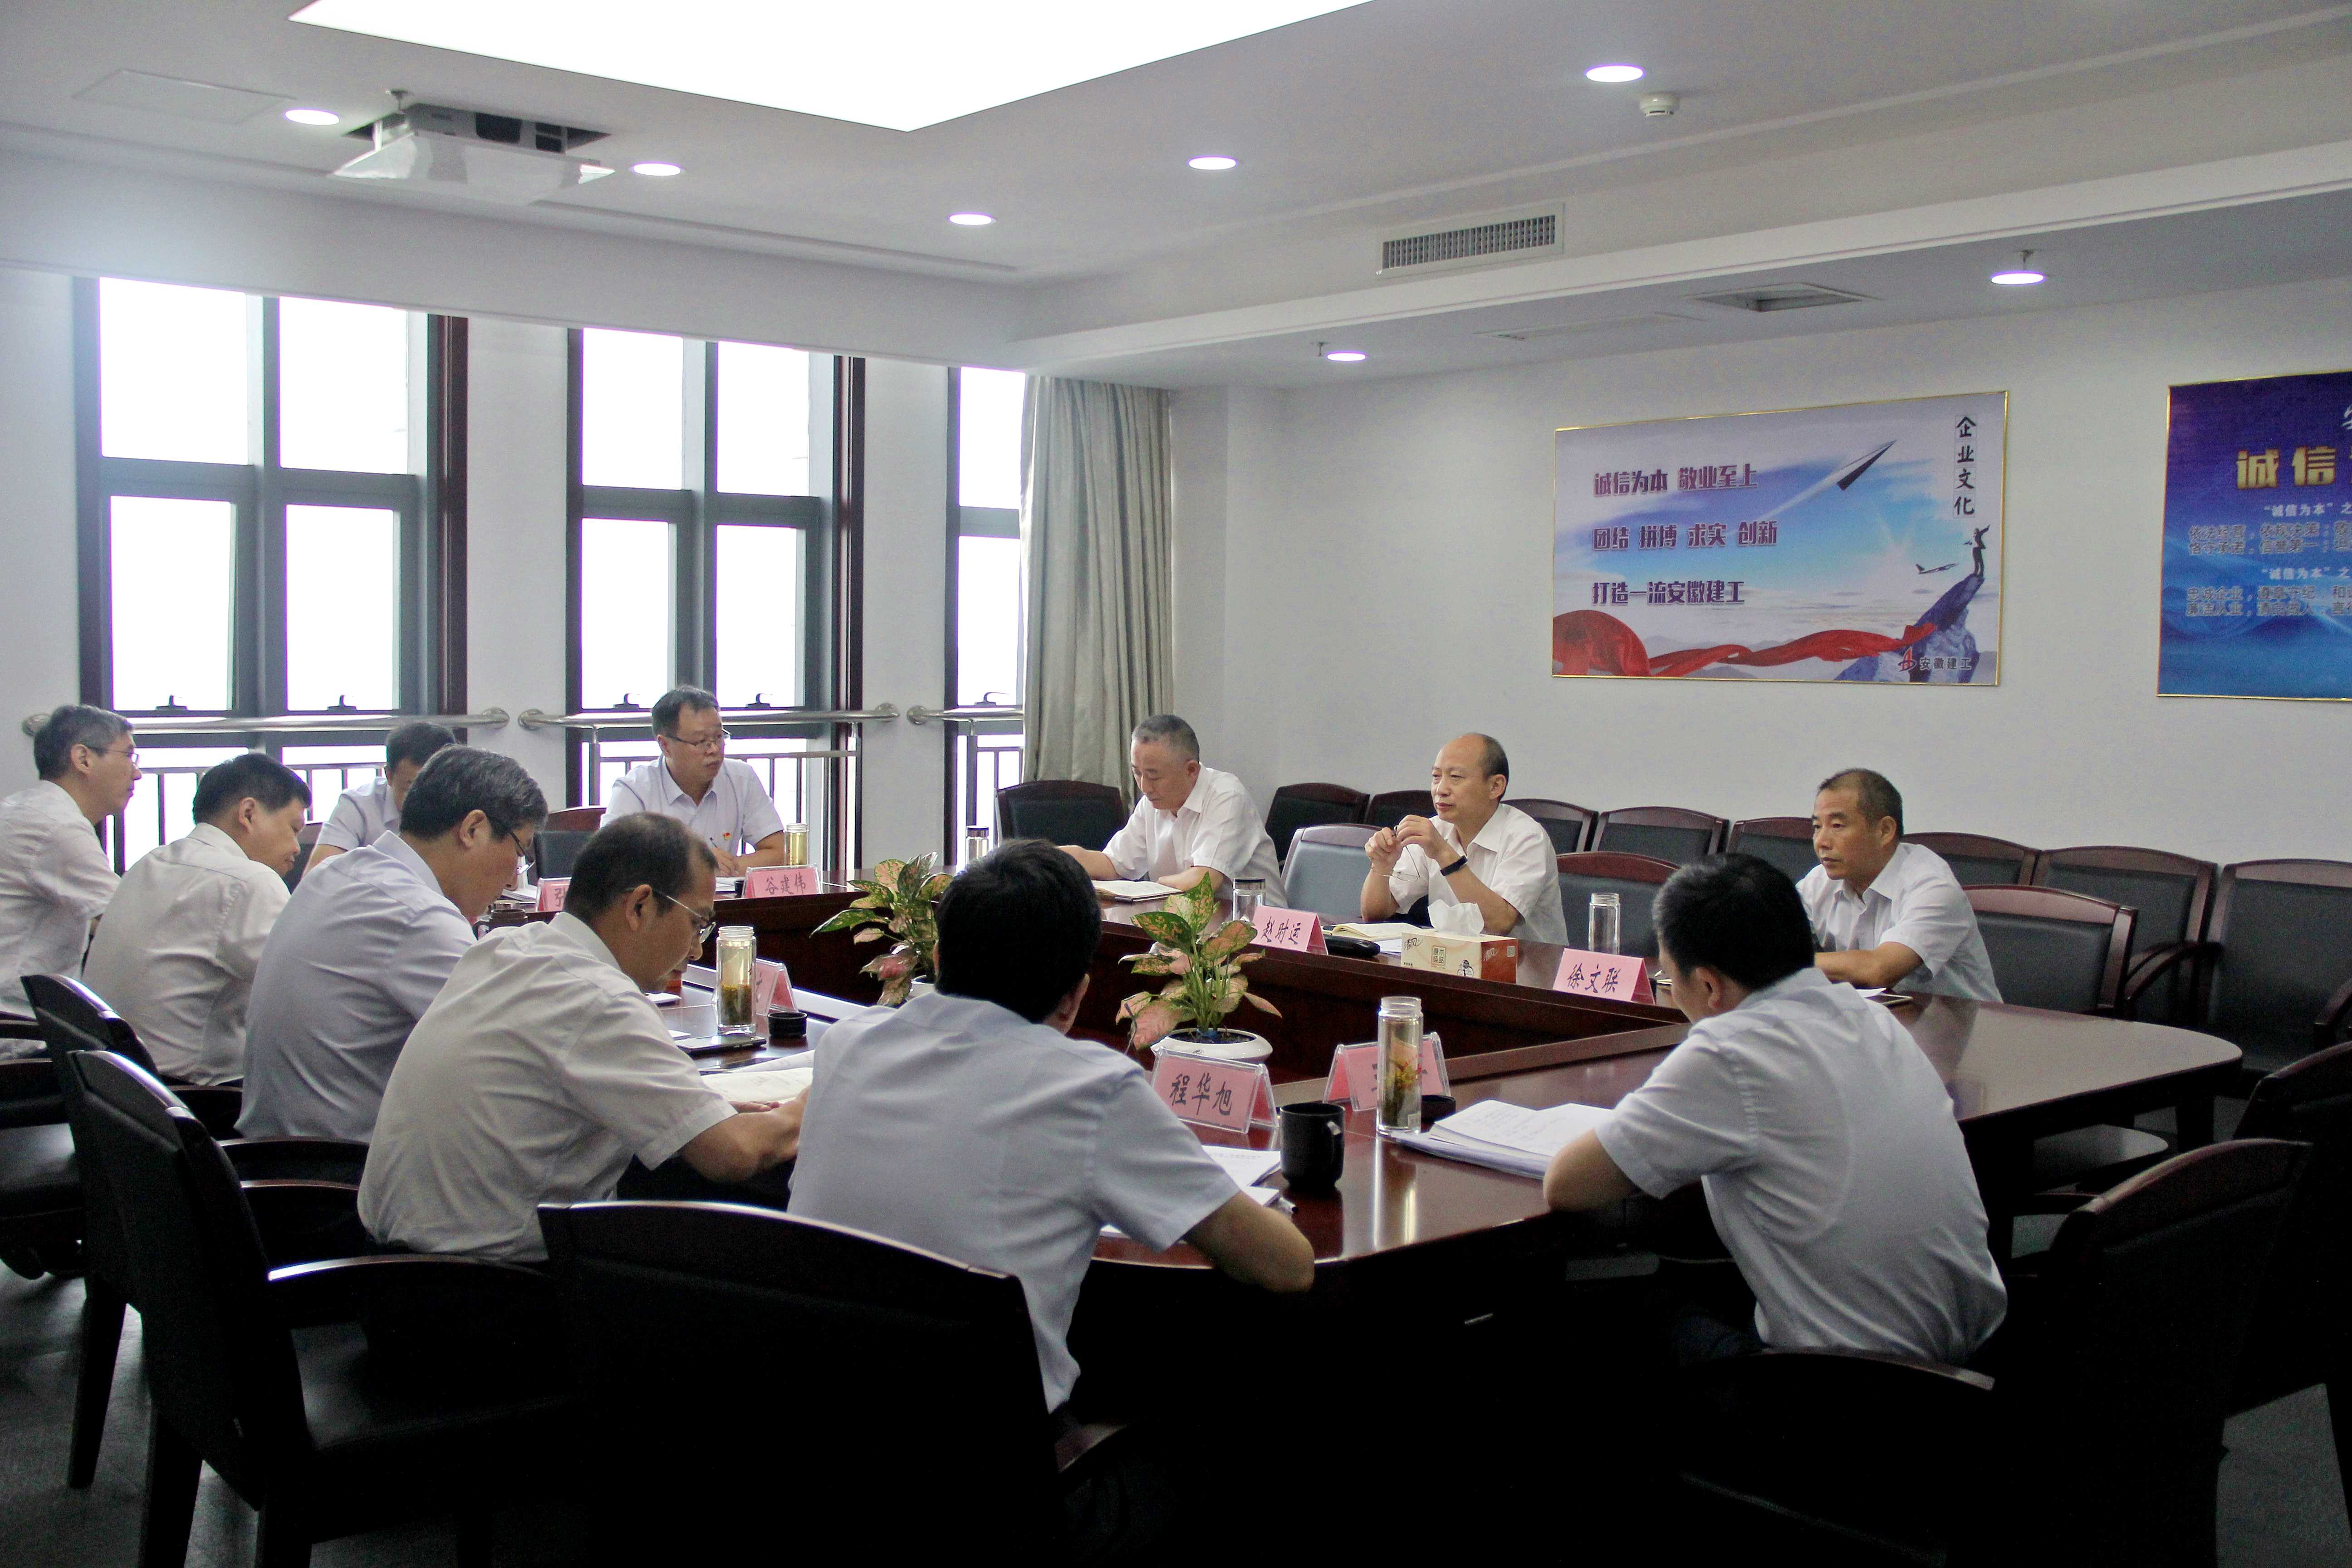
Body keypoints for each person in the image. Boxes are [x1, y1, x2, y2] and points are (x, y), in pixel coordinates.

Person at [790, 839, 1313, 1415]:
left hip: (816, 1431)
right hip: (992, 1455)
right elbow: (1286, 1266)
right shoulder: (1091, 1089)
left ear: (937, 959)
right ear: (1075, 998)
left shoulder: (847, 1045)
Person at [1543, 853, 2007, 1367]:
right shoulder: (1874, 1019)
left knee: (1595, 1310)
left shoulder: (1730, 1050)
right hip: (1977, 1358)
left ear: (1709, 986)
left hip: (1849, 1384)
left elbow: (1568, 1184)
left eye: (1670, 982)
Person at [360, 813, 803, 1262]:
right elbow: (733, 1154)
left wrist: (697, 1112)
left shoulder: (507, 949)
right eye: (697, 922)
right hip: (491, 1282)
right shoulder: (599, 998)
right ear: (640, 906)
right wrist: (818, 1097)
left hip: (388, 1268)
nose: (697, 949)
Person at [237, 747, 546, 1142]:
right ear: (473, 829)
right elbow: (515, 1053)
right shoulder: (416, 914)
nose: (512, 879)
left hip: (274, 1154)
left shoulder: (340, 873)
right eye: (519, 852)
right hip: (340, 1168)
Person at [83, 754, 309, 1084]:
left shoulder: (152, 861)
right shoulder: (249, 881)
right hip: (193, 1097)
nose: (297, 848)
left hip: (116, 1085)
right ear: (248, 814)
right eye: (293, 829)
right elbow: (305, 997)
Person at [1798, 768, 2001, 1001]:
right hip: (1872, 1017)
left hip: (1966, 1021)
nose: (1821, 842)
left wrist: (1783, 962)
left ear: (1884, 831)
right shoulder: (1818, 883)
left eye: (1837, 826)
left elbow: (1879, 969)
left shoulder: (1933, 887)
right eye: (1817, 827)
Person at [0, 704, 140, 1030]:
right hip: (18, 1031)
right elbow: (130, 925)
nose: (137, 773)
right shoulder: (58, 827)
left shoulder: (24, 809)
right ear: (83, 759)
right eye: (129, 756)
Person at [1358, 733, 1567, 944]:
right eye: (1436, 777)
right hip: (1453, 958)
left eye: (1456, 777)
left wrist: (1443, 853)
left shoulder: (1527, 837)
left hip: (1527, 962)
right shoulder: (1436, 830)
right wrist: (1381, 867)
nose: (1440, 790)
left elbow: (1500, 923)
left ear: (1495, 786)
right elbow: (1375, 915)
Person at [1057, 714, 1287, 904]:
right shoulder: (1152, 802)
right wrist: (1051, 858)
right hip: (1191, 926)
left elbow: (1204, 882)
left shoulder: (1227, 796)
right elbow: (1113, 864)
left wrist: (1149, 889)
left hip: (1260, 933)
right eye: (1137, 772)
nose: (1145, 787)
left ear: (1191, 770)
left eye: (1154, 776)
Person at [603, 687, 790, 876]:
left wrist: (727, 867)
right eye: (701, 741)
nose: (714, 750)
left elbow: (780, 852)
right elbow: (611, 861)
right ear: (665, 746)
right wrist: (693, 865)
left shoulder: (741, 778)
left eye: (719, 737)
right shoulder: (634, 790)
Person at [304, 721, 456, 873]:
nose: (427, 802)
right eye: (412, 790)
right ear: (389, 776)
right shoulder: (360, 806)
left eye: (437, 788)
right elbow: (318, 876)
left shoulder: (465, 804)